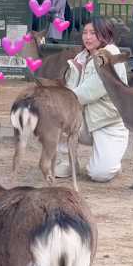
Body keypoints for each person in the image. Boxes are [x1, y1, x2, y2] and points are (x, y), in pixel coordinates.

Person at [54, 16, 129, 182]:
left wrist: (57, 100)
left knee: (98, 174)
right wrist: (76, 71)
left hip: (109, 124)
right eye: (85, 33)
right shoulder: (81, 57)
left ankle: (111, 162)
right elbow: (70, 90)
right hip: (87, 120)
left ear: (105, 34)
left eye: (93, 33)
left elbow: (87, 93)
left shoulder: (111, 56)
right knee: (58, 115)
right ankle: (68, 161)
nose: (87, 37)